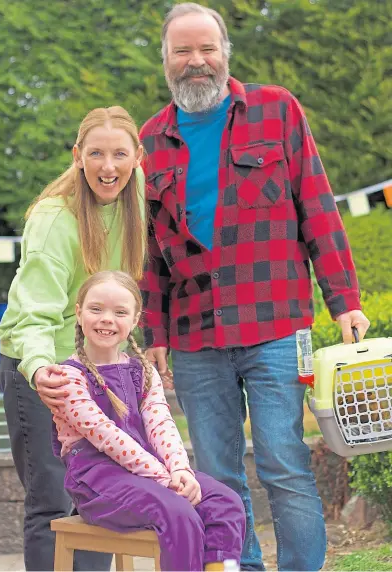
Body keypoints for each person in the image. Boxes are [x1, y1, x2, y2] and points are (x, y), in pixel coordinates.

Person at [139, 3, 370, 571]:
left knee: (284, 463)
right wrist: (154, 333)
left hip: (276, 326)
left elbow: (318, 208)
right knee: (215, 475)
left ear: (225, 54)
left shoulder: (278, 110)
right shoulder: (150, 140)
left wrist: (345, 303)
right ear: (166, 61)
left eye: (206, 49)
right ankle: (238, 566)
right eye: (183, 51)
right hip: (195, 335)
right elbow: (148, 251)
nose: (196, 61)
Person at [0, 106, 146, 571]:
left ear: (138, 158)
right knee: (54, 503)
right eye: (96, 154)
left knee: (98, 497)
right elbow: (32, 313)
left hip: (98, 368)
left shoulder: (135, 197)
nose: (108, 167)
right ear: (78, 156)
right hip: (42, 366)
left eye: (119, 154)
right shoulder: (54, 220)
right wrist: (43, 371)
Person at [52, 270, 245, 571]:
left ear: (135, 319)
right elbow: (106, 436)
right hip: (97, 483)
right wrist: (165, 480)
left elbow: (161, 424)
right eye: (96, 309)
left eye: (119, 312)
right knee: (177, 511)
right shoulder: (67, 378)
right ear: (79, 313)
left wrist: (180, 470)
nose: (107, 319)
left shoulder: (142, 371)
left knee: (226, 502)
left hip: (150, 473)